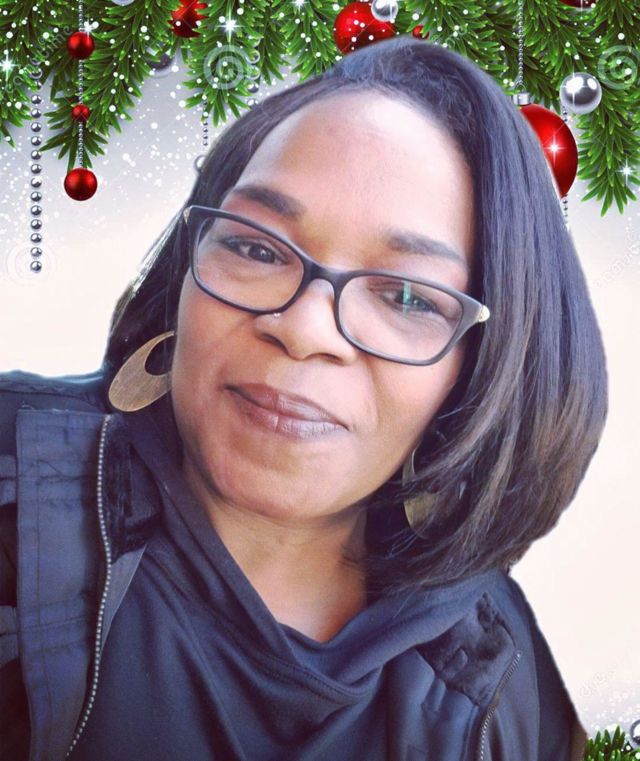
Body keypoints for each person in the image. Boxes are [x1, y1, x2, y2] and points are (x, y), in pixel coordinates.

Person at [0, 36, 606, 761]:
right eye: (257, 248)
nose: (303, 327)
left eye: (406, 296)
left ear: (479, 370)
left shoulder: (503, 682)